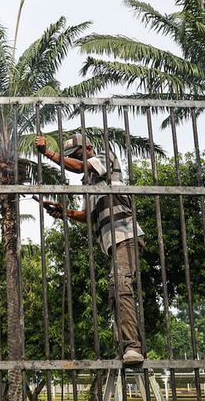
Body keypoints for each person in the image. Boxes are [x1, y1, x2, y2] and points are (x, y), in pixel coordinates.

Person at [35, 133, 146, 364]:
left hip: (126, 234)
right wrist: (63, 211)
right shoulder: (90, 186)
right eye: (72, 157)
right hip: (111, 243)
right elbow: (87, 216)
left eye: (76, 154)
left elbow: (78, 168)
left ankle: (132, 347)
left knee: (121, 285)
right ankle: (126, 346)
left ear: (88, 149)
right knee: (116, 291)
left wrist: (48, 153)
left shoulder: (106, 157)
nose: (75, 160)